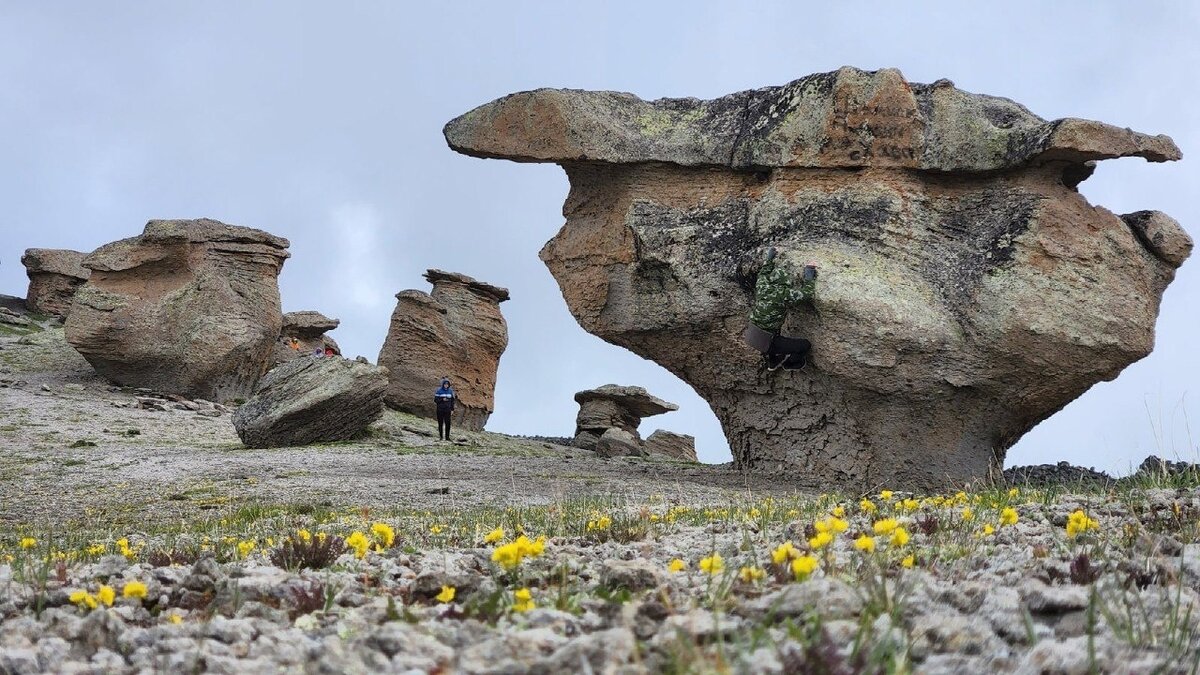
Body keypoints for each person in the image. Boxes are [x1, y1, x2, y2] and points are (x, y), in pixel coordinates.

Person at [744, 247, 818, 371]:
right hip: (767, 341)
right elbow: (807, 294)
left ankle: (773, 362)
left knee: (772, 329)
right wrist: (809, 272)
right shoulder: (783, 294)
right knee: (805, 345)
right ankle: (790, 364)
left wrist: (770, 256)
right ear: (785, 285)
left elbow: (764, 271)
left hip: (752, 334)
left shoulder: (762, 285)